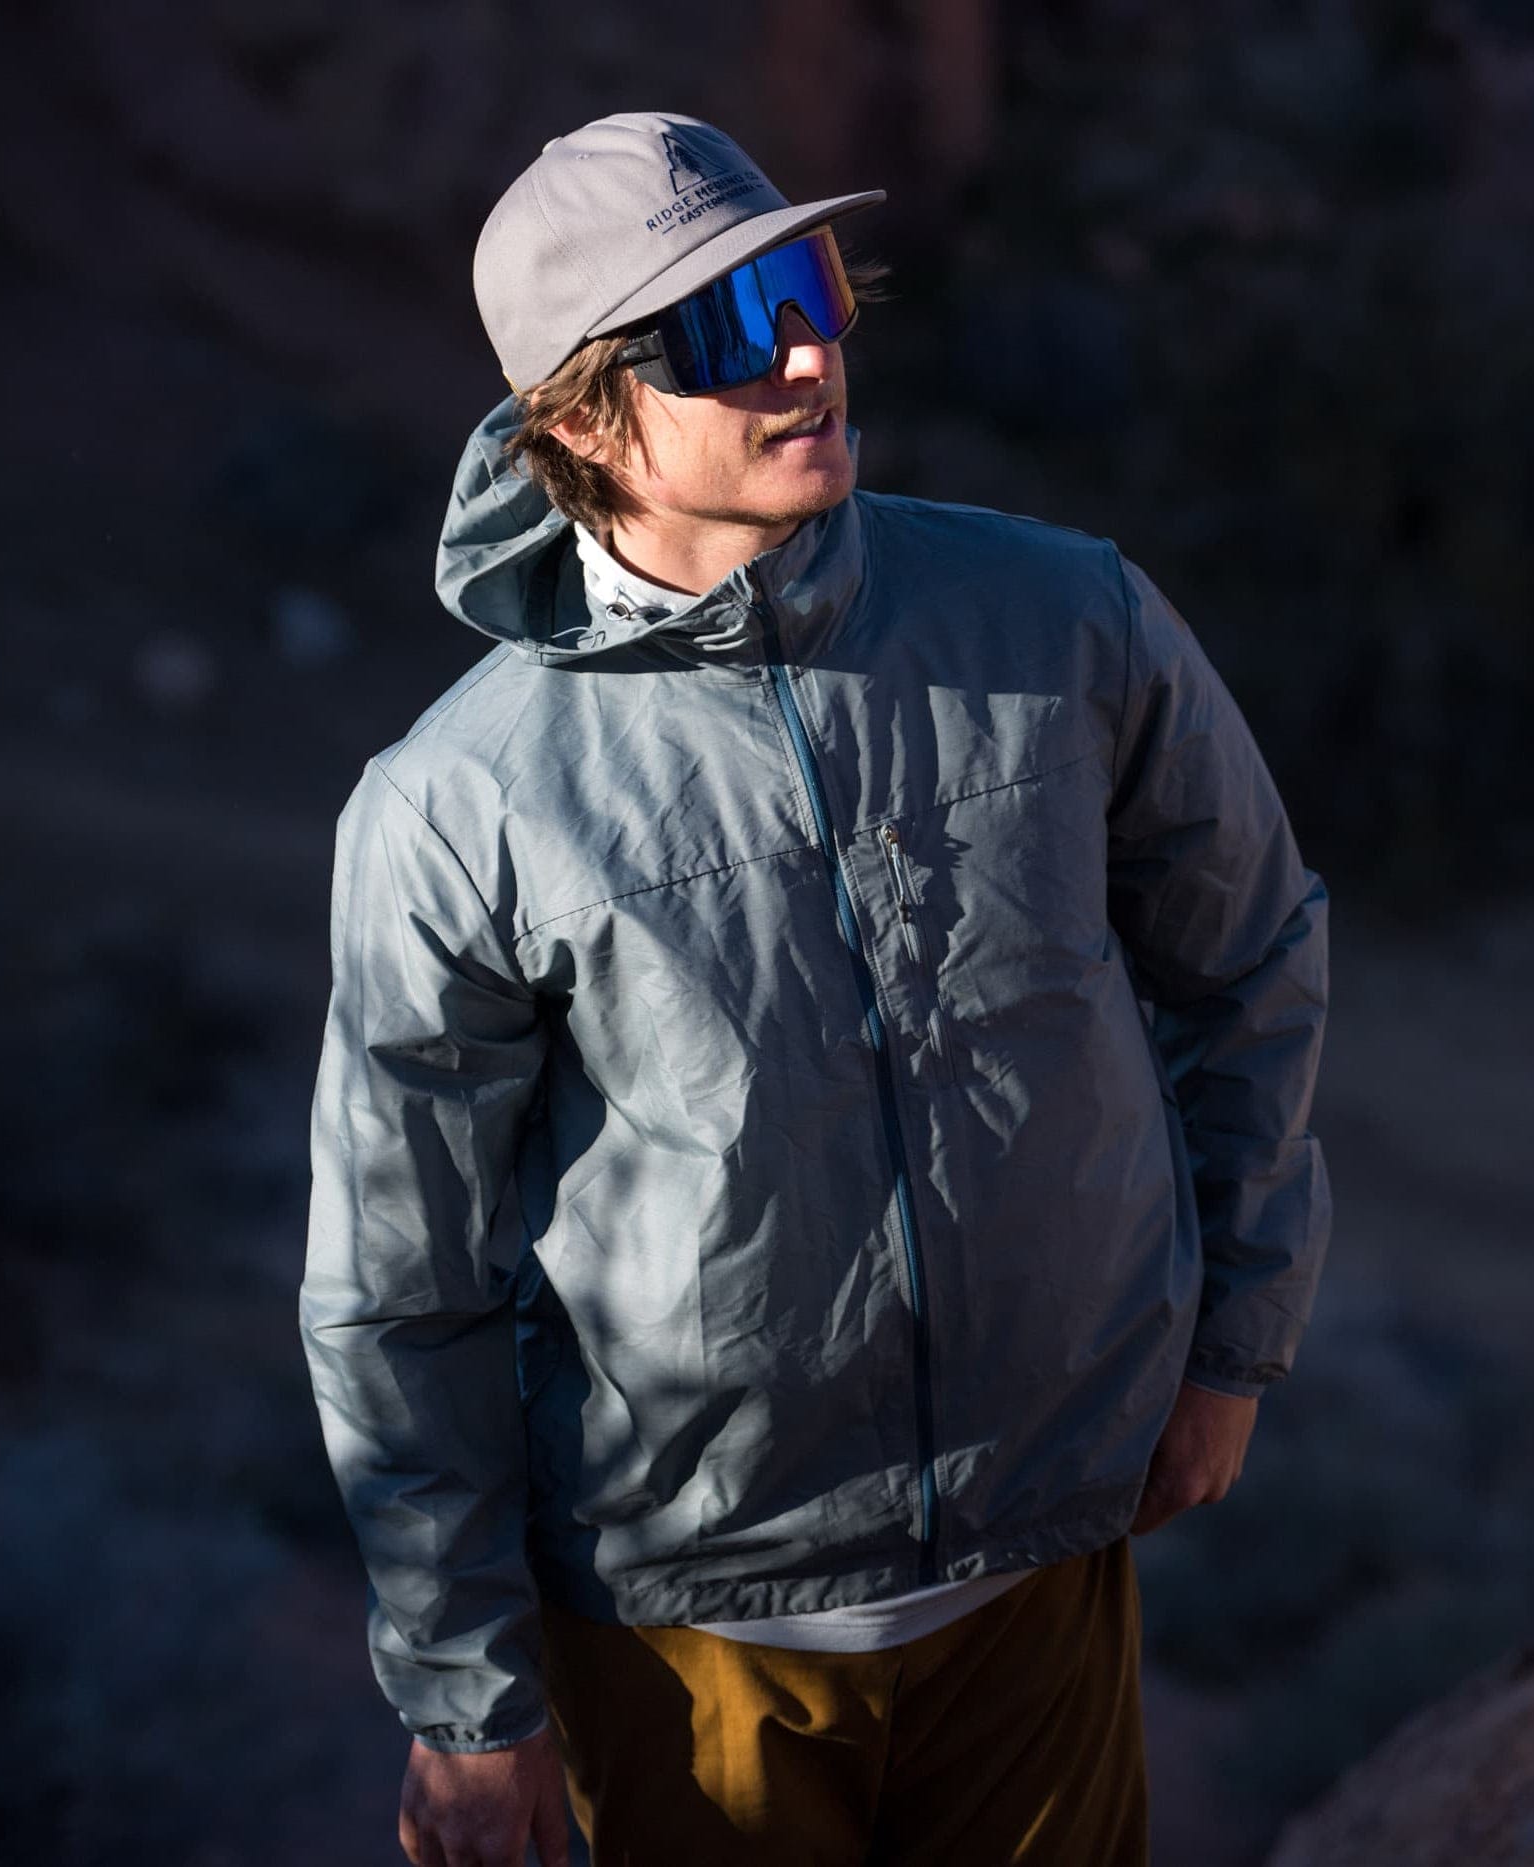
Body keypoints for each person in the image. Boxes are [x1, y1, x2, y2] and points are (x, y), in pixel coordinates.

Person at [302, 110, 1331, 1867]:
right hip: (693, 1641)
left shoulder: (1064, 620)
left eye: (810, 285)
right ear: (574, 418)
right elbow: (400, 1289)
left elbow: (1249, 956)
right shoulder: (462, 799)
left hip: (1040, 1578)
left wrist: (1234, 1341)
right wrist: (467, 1699)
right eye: (720, 327)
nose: (802, 352)